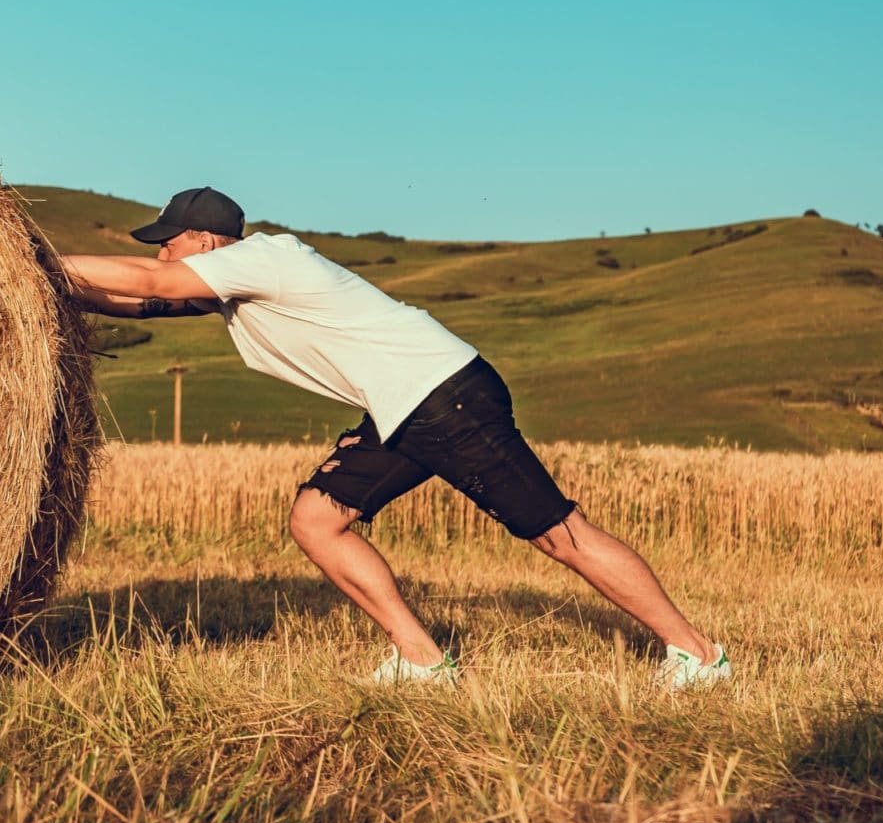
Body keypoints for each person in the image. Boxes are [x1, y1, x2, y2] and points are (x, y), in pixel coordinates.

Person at [59, 186, 731, 689]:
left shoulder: (265, 260)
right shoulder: (241, 287)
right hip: (403, 406)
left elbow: (149, 281)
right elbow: (144, 300)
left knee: (558, 532)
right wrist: (46, 285)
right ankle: (423, 660)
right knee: (317, 521)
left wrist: (32, 253)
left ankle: (697, 655)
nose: (160, 250)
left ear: (204, 241)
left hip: (445, 394)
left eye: (168, 240)